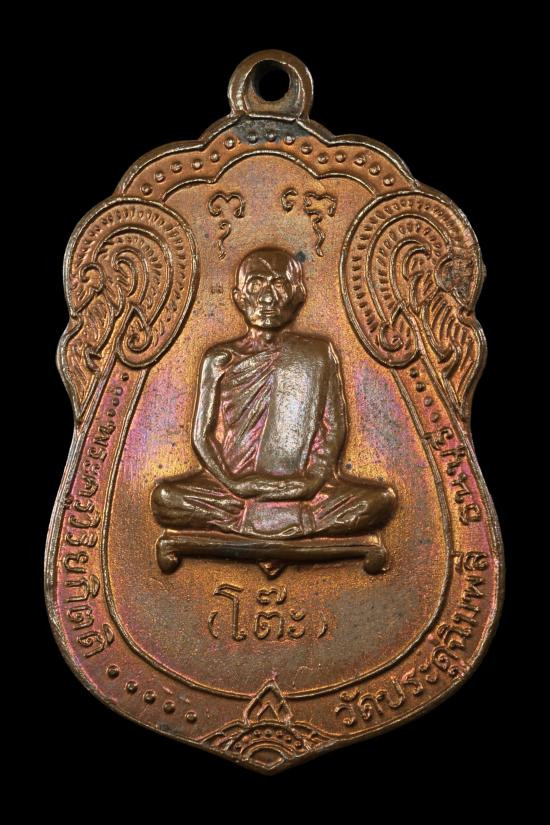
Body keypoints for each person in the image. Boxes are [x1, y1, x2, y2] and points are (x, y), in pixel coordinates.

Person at [152, 247, 396, 540]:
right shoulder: (219, 358)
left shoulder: (317, 353)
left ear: (298, 295)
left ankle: (250, 524)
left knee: (381, 501)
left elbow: (334, 429)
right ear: (239, 298)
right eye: (256, 285)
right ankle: (291, 523)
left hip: (304, 487)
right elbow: (201, 437)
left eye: (279, 284)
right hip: (233, 487)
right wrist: (234, 483)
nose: (267, 298)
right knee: (165, 498)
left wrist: (312, 482)